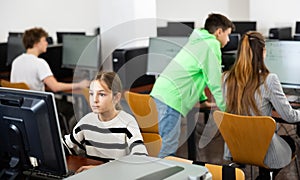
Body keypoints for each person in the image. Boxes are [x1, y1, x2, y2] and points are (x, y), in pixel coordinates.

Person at [150, 13, 235, 158]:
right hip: (171, 97)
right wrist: (226, 110)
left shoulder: (198, 41)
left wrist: (202, 100)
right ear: (219, 32)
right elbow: (215, 82)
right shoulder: (211, 44)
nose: (228, 40)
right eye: (227, 35)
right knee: (168, 147)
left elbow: (199, 74)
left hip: (163, 92)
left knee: (167, 143)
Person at [222, 31, 299, 179]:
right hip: (262, 149)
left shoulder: (226, 78)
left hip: (236, 147)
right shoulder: (269, 80)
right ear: (263, 52)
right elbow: (290, 116)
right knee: (290, 141)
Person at [63, 71, 148, 173]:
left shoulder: (127, 123)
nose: (94, 100)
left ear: (116, 98)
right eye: (91, 94)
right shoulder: (87, 121)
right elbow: (65, 145)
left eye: (102, 94)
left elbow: (140, 158)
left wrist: (101, 169)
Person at [10, 27, 89, 92]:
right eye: (44, 40)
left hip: (21, 108)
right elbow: (55, 87)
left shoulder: (16, 61)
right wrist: (80, 85)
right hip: (37, 107)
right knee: (68, 107)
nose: (47, 43)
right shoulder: (39, 63)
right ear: (36, 43)